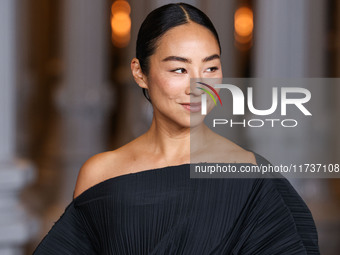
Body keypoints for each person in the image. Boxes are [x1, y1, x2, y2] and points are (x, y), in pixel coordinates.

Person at [33, 2, 320, 254]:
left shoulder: (252, 178)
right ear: (139, 73)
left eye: (210, 68)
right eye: (179, 69)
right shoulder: (101, 175)